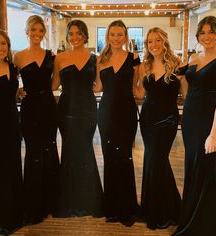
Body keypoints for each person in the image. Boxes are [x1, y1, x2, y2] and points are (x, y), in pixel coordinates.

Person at [173, 16, 216, 236]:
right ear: (198, 35)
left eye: (211, 32)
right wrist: (179, 71)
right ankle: (190, 217)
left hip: (209, 123)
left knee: (204, 169)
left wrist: (214, 134)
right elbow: (185, 87)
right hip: (190, 120)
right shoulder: (193, 58)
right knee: (193, 169)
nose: (207, 36)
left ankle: (204, 223)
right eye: (203, 33)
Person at [134, 27, 187, 230]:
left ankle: (162, 210)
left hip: (167, 120)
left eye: (157, 40)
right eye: (150, 42)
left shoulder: (178, 65)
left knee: (157, 159)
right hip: (147, 119)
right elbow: (139, 93)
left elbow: (187, 95)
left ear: (164, 41)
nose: (153, 45)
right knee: (154, 161)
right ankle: (158, 208)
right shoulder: (144, 66)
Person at [52, 19, 104, 218]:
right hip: (66, 111)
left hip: (88, 111)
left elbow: (99, 86)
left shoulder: (95, 58)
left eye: (78, 33)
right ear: (67, 36)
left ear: (85, 35)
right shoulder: (59, 58)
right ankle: (69, 201)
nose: (75, 37)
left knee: (84, 151)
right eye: (71, 33)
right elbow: (54, 85)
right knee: (69, 151)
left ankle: (89, 201)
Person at [14, 15, 59, 224]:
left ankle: (51, 201)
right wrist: (19, 92)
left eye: (41, 31)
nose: (37, 34)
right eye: (33, 30)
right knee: (33, 152)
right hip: (30, 109)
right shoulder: (18, 57)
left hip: (49, 107)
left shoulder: (51, 55)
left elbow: (54, 84)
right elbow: (9, 83)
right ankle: (34, 205)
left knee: (49, 151)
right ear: (27, 32)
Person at [94, 20, 140, 226]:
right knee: (110, 159)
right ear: (107, 36)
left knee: (124, 157)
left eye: (120, 34)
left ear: (125, 36)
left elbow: (138, 88)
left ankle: (127, 208)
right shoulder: (100, 59)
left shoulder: (134, 58)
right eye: (112, 34)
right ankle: (112, 208)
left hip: (127, 113)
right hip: (105, 115)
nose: (116, 38)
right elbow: (98, 87)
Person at [0, 30, 24, 234]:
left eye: (3, 44)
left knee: (12, 166)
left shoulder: (11, 67)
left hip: (12, 123)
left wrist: (20, 92)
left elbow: (10, 94)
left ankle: (13, 215)